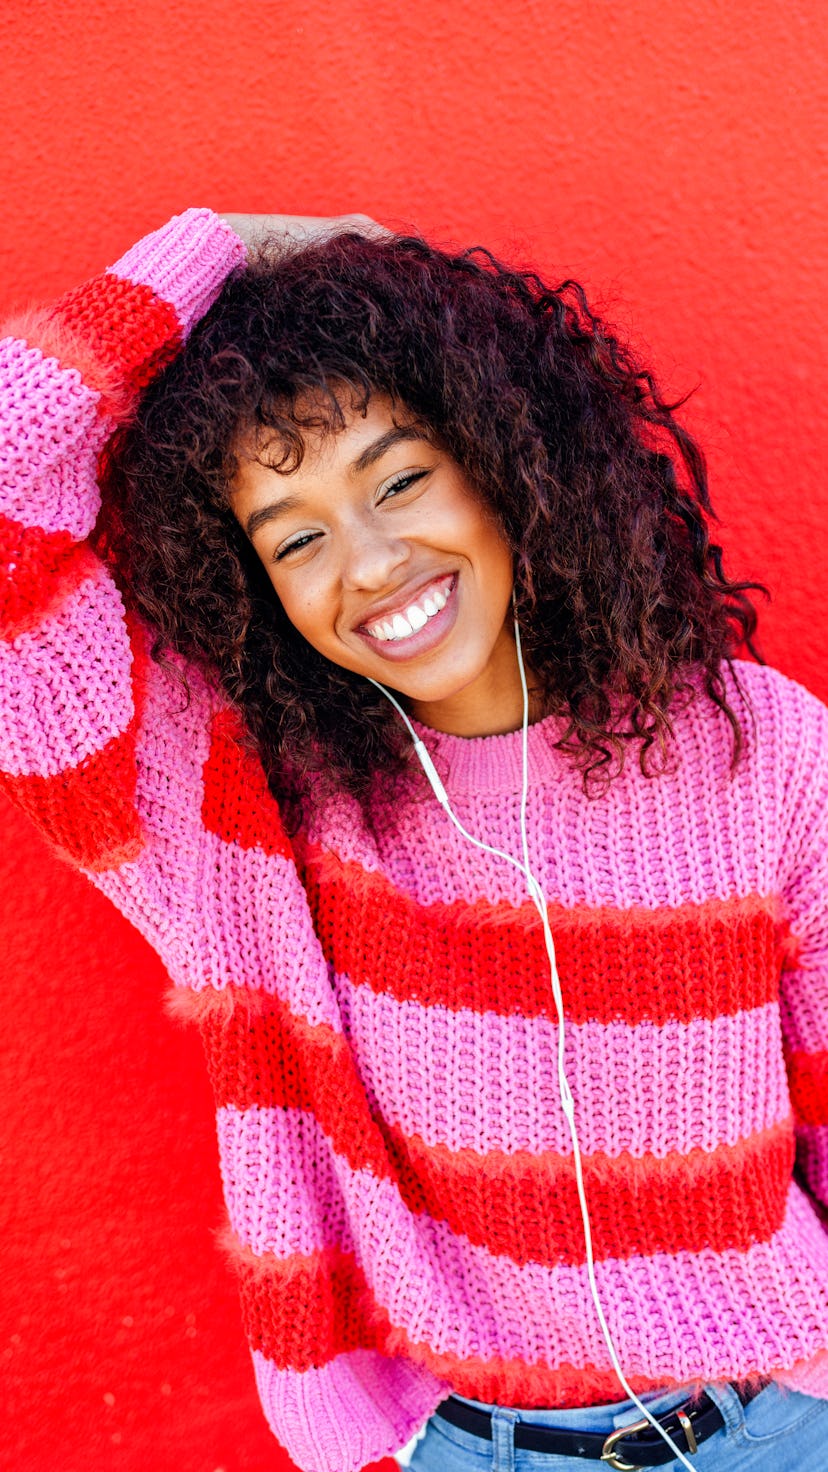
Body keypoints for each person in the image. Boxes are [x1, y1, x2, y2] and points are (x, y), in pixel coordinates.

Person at [3, 207, 828, 1472]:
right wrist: (227, 243)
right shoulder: (241, 824)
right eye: (297, 536)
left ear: (502, 457)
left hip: (783, 1424)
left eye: (399, 479)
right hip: (478, 1448)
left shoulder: (757, 747)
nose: (374, 561)